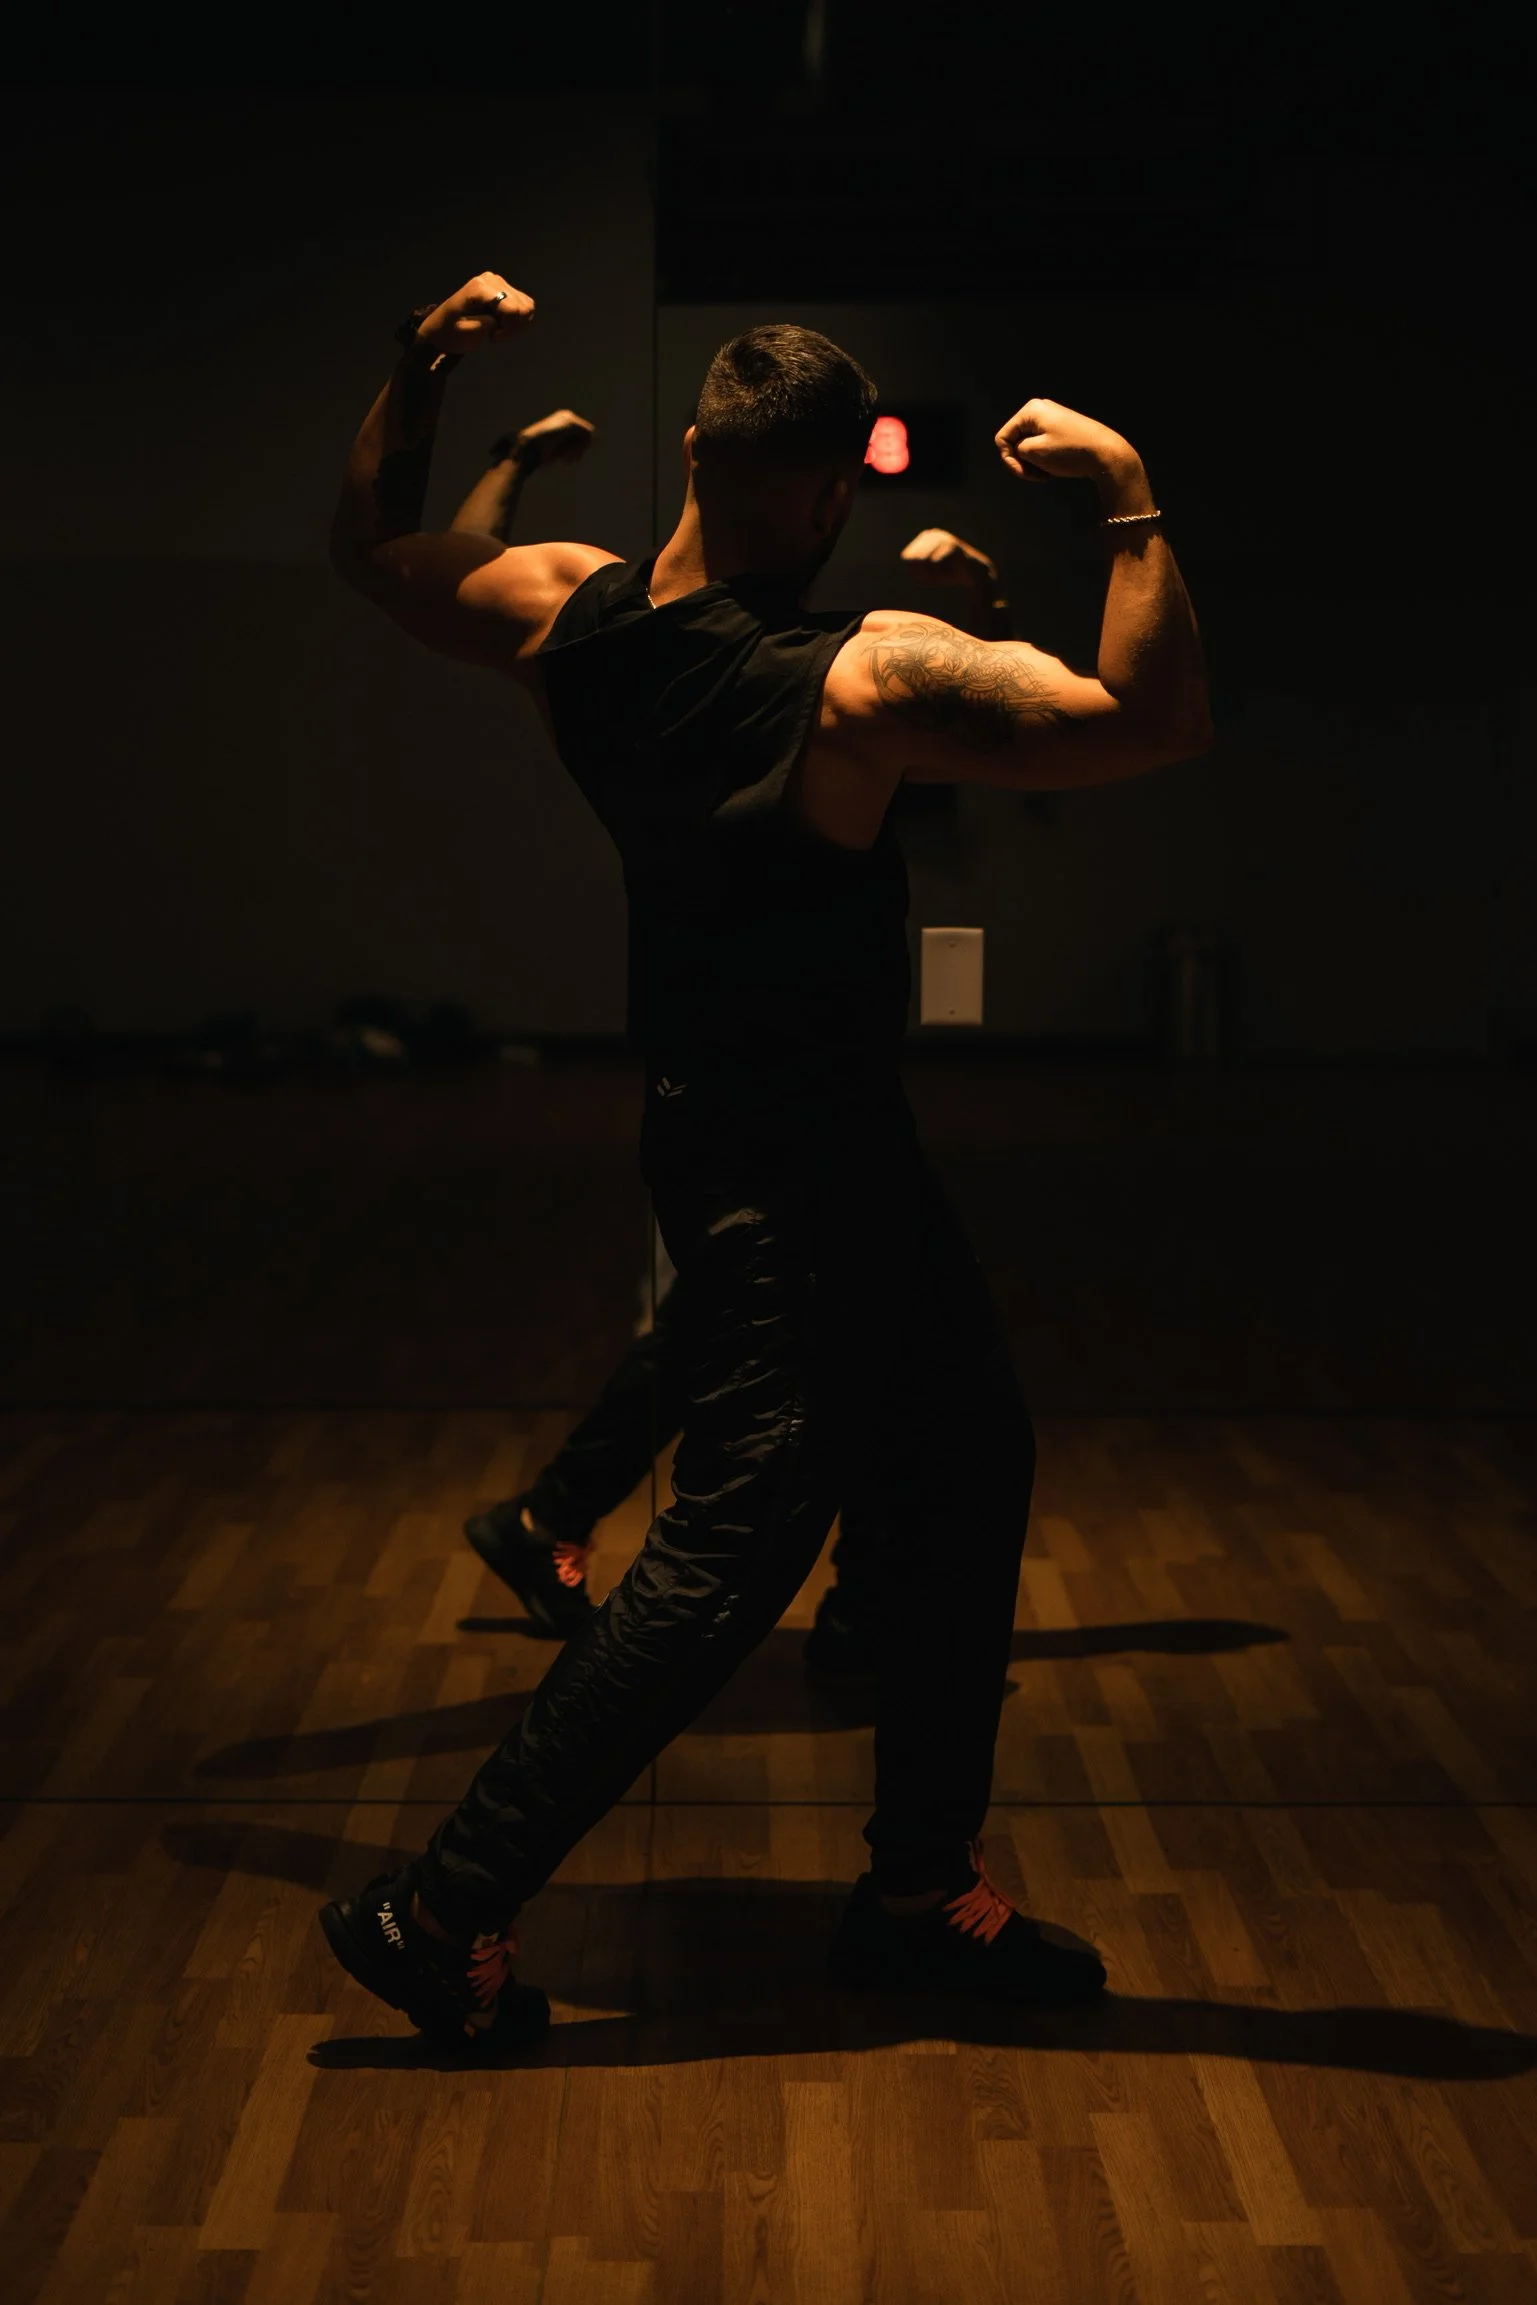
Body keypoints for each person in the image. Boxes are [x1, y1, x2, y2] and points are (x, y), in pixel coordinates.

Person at [320, 273, 1211, 2048]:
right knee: (729, 1548)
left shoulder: (567, 621)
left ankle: (917, 1893)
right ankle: (445, 1909)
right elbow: (1149, 717)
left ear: (692, 453)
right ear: (822, 495)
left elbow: (375, 547)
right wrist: (1130, 502)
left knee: (967, 1454)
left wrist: (418, 370)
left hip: (745, 1139)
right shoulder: (851, 679)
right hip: (801, 1179)